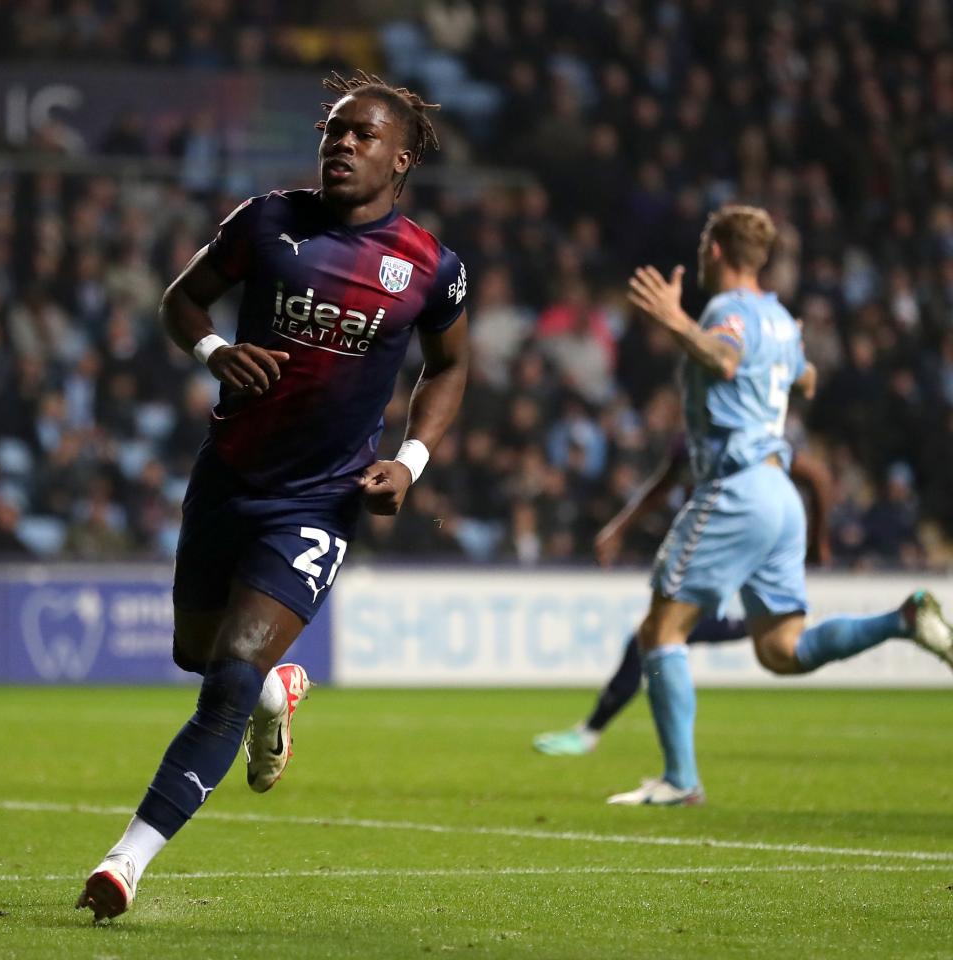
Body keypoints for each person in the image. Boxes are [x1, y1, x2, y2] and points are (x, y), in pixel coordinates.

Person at [77, 71, 470, 919]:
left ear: (399, 159)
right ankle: (275, 692)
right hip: (228, 478)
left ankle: (125, 862)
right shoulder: (266, 221)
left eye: (362, 135)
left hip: (319, 501)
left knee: (224, 677)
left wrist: (410, 461)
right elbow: (182, 302)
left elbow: (451, 367)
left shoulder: (429, 268)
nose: (341, 144)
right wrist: (216, 351)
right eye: (334, 131)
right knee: (199, 655)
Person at [606, 205, 953, 806]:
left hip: (736, 486)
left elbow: (724, 358)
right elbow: (808, 378)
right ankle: (901, 620)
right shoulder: (784, 322)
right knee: (782, 650)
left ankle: (681, 780)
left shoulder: (726, 312)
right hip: (780, 492)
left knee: (660, 630)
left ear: (714, 250)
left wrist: (673, 318)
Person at [533, 440, 833, 756]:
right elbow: (662, 486)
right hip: (717, 559)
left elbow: (816, 474)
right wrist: (619, 528)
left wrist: (818, 539)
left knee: (655, 639)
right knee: (652, 640)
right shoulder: (692, 441)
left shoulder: (751, 435)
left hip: (739, 559)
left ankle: (641, 757)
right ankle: (606, 739)